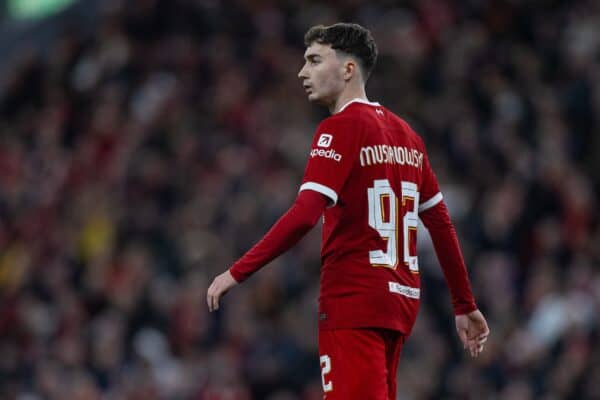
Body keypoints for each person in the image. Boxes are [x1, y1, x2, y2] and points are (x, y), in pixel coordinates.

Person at [207, 23, 489, 399]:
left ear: (348, 69)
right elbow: (439, 222)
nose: (302, 72)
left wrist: (237, 272)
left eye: (314, 60)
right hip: (399, 303)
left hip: (354, 303)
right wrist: (463, 303)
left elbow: (305, 214)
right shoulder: (409, 137)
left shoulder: (338, 129)